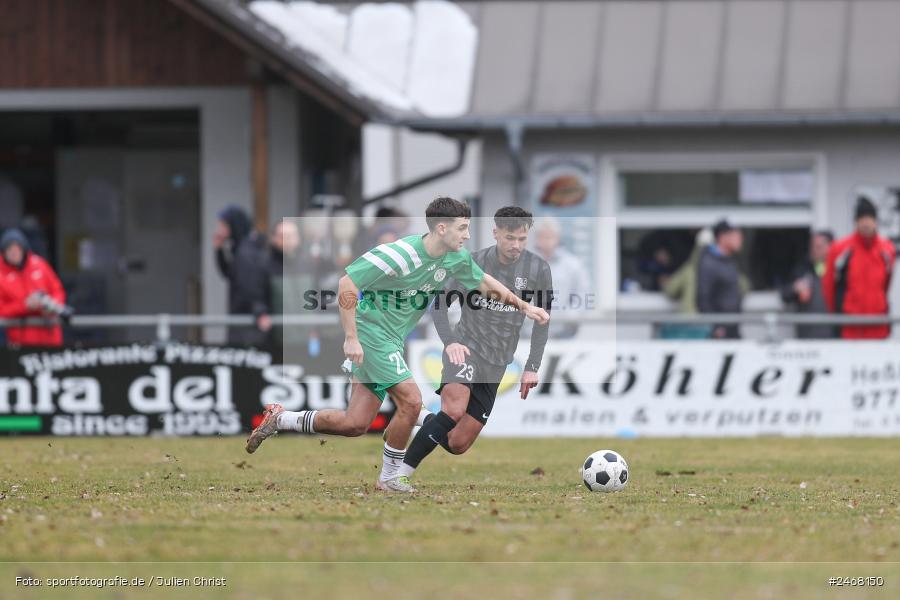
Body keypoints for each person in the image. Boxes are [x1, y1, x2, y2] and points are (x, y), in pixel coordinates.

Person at [244, 197, 550, 493]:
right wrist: (351, 338)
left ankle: (282, 418)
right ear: (441, 228)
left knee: (355, 423)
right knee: (412, 400)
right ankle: (391, 478)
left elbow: (484, 283)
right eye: (463, 228)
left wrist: (525, 307)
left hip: (390, 338)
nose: (468, 234)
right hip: (370, 333)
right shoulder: (399, 253)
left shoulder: (454, 257)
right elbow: (347, 284)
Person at [397, 207, 552, 484]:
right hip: (466, 348)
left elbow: (542, 320)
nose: (515, 245)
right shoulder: (472, 263)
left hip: (497, 361)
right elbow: (440, 306)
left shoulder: (539, 269)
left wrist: (532, 367)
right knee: (454, 410)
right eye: (509, 238)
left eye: (521, 239)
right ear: (495, 233)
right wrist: (451, 343)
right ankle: (398, 476)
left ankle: (424, 419)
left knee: (458, 443)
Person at [822, 197, 896, 339]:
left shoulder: (887, 250)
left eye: (869, 218)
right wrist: (837, 318)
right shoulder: (840, 249)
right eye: (861, 219)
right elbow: (829, 286)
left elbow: (886, 284)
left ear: (875, 221)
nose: (866, 223)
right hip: (849, 326)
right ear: (856, 222)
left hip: (878, 326)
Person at [0, 229, 66, 347]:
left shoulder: (39, 264)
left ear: (23, 249)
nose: (14, 253)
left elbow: (58, 290)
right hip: (22, 340)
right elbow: (2, 309)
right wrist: (25, 305)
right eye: (9, 249)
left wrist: (51, 305)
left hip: (50, 335)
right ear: (3, 252)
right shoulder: (1, 274)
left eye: (17, 248)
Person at [213, 206, 266, 345]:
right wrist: (219, 250)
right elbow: (229, 273)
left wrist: (259, 311)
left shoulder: (245, 253)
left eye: (223, 226)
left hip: (246, 325)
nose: (219, 230)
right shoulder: (240, 249)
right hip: (242, 321)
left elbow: (250, 287)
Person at [533, 217, 587, 338]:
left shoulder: (573, 265)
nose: (546, 241)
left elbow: (581, 296)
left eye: (550, 237)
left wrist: (569, 318)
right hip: (531, 334)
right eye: (543, 237)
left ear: (557, 238)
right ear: (537, 239)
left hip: (564, 334)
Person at [781, 230, 836, 339]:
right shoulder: (802, 270)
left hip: (833, 337)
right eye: (813, 246)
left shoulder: (839, 270)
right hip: (808, 338)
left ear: (831, 247)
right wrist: (795, 289)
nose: (814, 250)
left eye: (819, 247)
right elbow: (784, 294)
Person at [661, 228, 714, 339]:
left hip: (688, 323)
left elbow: (670, 290)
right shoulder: (722, 268)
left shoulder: (690, 269)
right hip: (710, 324)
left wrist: (664, 282)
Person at [697, 219, 744, 339]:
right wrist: (716, 327)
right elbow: (703, 298)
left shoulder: (729, 260)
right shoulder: (709, 262)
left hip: (733, 327)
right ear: (723, 237)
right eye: (736, 234)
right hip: (720, 332)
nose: (740, 238)